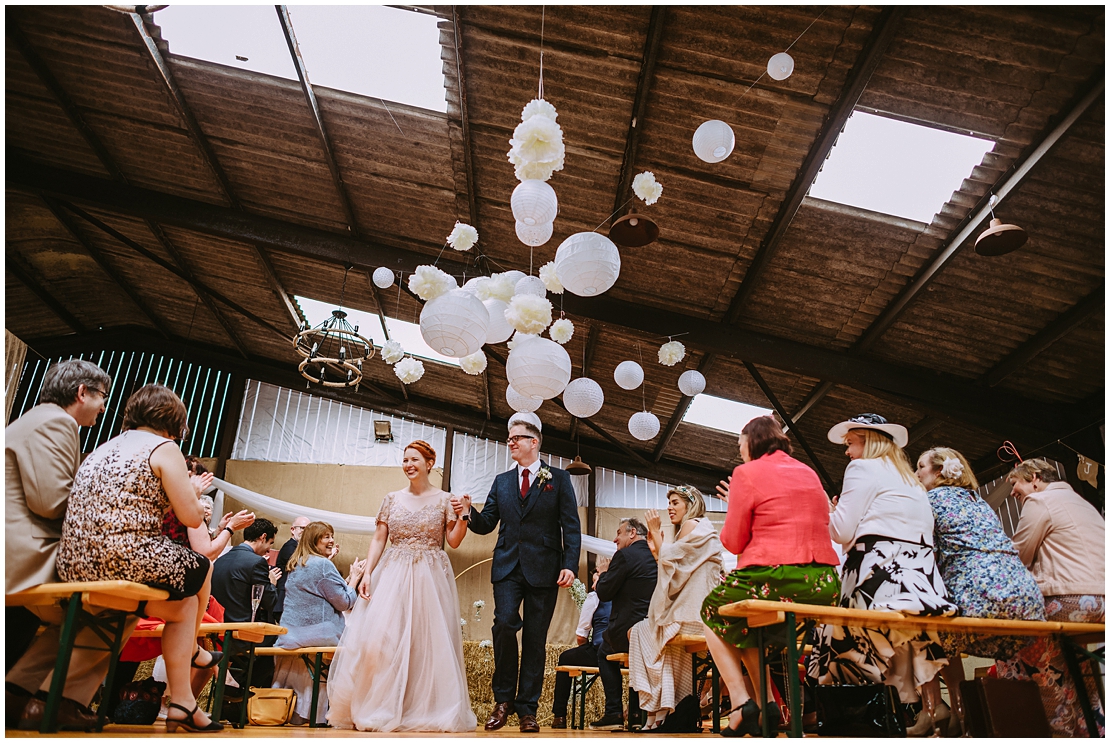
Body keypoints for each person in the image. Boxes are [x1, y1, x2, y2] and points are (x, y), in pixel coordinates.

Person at [54, 384, 222, 733]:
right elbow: (191, 518)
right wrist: (191, 492)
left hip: (72, 563)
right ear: (174, 421)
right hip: (124, 557)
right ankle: (191, 651)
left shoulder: (103, 448)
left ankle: (183, 704)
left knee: (183, 606)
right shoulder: (164, 446)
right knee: (202, 566)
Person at [701, 416, 841, 736]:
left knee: (711, 611)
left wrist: (733, 510)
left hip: (777, 577)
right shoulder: (808, 472)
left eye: (740, 445)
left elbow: (734, 541)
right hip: (822, 582)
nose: (740, 453)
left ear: (752, 441)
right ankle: (767, 707)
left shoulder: (746, 473)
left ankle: (741, 701)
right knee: (749, 623)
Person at [808, 415, 956, 717]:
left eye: (851, 443)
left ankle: (862, 716)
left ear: (869, 441)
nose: (847, 452)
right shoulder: (908, 479)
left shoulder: (862, 467)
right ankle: (910, 708)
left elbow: (842, 532)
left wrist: (824, 508)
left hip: (877, 572)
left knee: (841, 639)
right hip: (920, 578)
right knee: (899, 643)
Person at [5, 359, 125, 731]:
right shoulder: (56, 422)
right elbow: (52, 501)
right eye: (102, 396)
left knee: (81, 616)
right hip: (25, 551)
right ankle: (59, 700)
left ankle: (18, 697)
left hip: (21, 545)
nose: (104, 406)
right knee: (116, 605)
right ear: (81, 392)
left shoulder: (32, 420)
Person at [327, 440, 476, 732]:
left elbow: (455, 540)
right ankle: (379, 705)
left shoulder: (445, 499)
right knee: (379, 641)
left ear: (429, 464)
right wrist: (368, 572)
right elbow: (379, 538)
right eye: (405, 459)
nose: (408, 464)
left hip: (429, 577)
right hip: (392, 573)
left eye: (414, 459)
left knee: (425, 643)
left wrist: (465, 514)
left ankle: (421, 710)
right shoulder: (391, 498)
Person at [455, 419, 582, 733]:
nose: (510, 442)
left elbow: (571, 526)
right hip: (508, 567)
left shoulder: (559, 478)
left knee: (536, 641)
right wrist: (469, 511)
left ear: (534, 442)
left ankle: (527, 709)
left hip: (546, 568)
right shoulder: (501, 482)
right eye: (509, 438)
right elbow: (486, 524)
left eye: (516, 438)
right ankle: (503, 700)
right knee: (504, 623)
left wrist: (570, 564)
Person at [912, 447, 1045, 735]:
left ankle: (945, 710)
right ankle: (974, 716)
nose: (916, 473)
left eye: (920, 467)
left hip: (981, 594)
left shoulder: (928, 500)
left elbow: (925, 555)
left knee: (927, 629)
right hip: (1025, 595)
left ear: (938, 472)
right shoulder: (979, 502)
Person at [995, 458, 1105, 737]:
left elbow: (1019, 555)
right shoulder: (1081, 502)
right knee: (1076, 663)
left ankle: (1053, 731)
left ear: (1034, 477)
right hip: (1102, 601)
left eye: (1014, 483)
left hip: (1070, 599)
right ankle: (1093, 728)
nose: (1012, 492)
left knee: (1012, 647)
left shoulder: (1040, 501)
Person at [628, 486, 722, 732]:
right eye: (668, 502)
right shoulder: (700, 528)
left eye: (675, 502)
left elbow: (669, 564)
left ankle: (657, 712)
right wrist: (658, 548)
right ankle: (660, 712)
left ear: (690, 505)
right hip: (697, 612)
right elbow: (675, 571)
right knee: (645, 631)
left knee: (642, 632)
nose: (669, 507)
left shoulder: (693, 525)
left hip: (693, 614)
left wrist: (657, 534)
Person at [273, 521, 361, 725]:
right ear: (314, 540)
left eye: (332, 536)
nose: (332, 540)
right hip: (317, 635)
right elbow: (344, 603)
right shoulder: (322, 565)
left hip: (290, 634)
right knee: (364, 646)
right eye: (326, 536)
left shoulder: (296, 563)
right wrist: (355, 579)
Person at [589, 518, 658, 731]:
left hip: (627, 629)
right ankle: (636, 714)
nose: (614, 538)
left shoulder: (624, 556)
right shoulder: (653, 557)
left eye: (618, 533)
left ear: (632, 533)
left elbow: (604, 592)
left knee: (603, 652)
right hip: (651, 630)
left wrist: (604, 574)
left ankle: (614, 713)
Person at [211, 518, 281, 696]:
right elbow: (270, 601)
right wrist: (272, 583)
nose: (269, 549)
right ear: (263, 537)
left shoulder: (221, 560)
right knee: (275, 646)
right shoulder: (256, 563)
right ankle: (250, 703)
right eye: (270, 543)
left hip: (217, 632)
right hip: (242, 634)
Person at [550, 559, 611, 729]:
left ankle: (560, 715)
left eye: (595, 580)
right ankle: (635, 714)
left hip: (599, 651)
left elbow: (581, 636)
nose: (593, 587)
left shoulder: (594, 597)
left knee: (565, 658)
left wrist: (585, 649)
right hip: (625, 653)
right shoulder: (628, 593)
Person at [275, 516, 310, 622]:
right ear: (292, 529)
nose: (305, 532)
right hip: (285, 600)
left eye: (308, 529)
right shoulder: (290, 547)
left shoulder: (300, 548)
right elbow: (303, 567)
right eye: (302, 528)